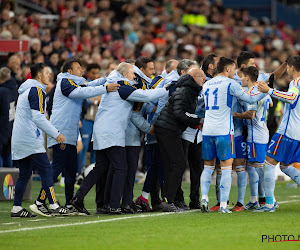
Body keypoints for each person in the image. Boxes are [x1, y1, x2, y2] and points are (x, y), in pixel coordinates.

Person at [71, 62, 168, 215]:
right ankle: (114, 205)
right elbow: (145, 95)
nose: (134, 76)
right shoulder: (123, 87)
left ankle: (78, 198)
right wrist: (165, 89)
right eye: (132, 73)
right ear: (124, 74)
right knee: (121, 168)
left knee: (101, 168)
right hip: (111, 132)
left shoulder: (114, 83)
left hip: (101, 130)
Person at [35, 58, 119, 214]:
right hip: (61, 132)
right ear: (69, 71)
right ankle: (40, 201)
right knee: (57, 169)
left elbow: (87, 85)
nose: (82, 70)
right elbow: (83, 91)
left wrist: (107, 78)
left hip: (70, 133)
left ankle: (69, 204)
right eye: (78, 67)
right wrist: (105, 88)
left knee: (71, 171)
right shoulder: (65, 81)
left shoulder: (74, 82)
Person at [200, 57, 267, 213]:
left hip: (207, 130)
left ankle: (204, 198)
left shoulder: (207, 84)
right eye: (234, 69)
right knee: (226, 167)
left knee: (208, 167)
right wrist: (265, 93)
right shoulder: (230, 84)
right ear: (228, 69)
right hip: (224, 131)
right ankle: (223, 205)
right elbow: (250, 98)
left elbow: (201, 107)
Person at [135, 59, 197, 211]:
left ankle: (153, 199)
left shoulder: (160, 81)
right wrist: (154, 114)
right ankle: (156, 199)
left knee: (158, 165)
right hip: (159, 129)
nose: (152, 71)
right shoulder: (169, 82)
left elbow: (150, 101)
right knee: (160, 165)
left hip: (157, 127)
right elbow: (148, 102)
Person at [10, 63, 68, 218]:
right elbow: (38, 118)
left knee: (24, 174)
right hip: (30, 139)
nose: (50, 75)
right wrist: (56, 134)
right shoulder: (36, 90)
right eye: (47, 72)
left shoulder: (25, 89)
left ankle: (16, 208)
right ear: (39, 75)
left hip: (19, 138)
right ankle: (54, 205)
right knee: (46, 170)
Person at [155, 68, 206, 212]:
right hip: (168, 130)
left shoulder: (188, 89)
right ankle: (169, 200)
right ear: (194, 77)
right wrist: (198, 120)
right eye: (202, 77)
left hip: (168, 129)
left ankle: (168, 199)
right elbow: (179, 113)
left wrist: (197, 122)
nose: (204, 80)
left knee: (173, 165)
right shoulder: (185, 91)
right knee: (178, 164)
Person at [255, 56, 300, 212]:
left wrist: (270, 91)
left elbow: (291, 98)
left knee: (268, 163)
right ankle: (269, 202)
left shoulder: (296, 82)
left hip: (288, 131)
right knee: (286, 166)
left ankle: (269, 204)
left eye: (288, 67)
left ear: (292, 68)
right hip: (297, 133)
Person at [233, 66, 273, 210]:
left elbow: (251, 114)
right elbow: (271, 103)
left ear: (247, 77)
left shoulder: (252, 92)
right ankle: (256, 199)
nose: (241, 79)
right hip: (261, 131)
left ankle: (269, 200)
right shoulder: (262, 90)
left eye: (242, 76)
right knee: (253, 167)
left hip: (255, 135)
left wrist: (234, 114)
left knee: (259, 169)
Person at [0, 67, 11, 167]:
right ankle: (9, 181)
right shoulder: (14, 89)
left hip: (2, 125)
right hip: (11, 125)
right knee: (8, 154)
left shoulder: (2, 91)